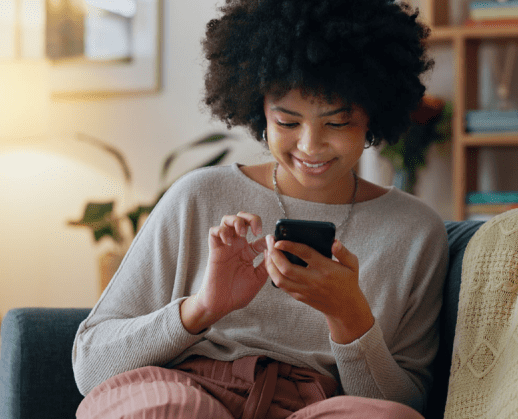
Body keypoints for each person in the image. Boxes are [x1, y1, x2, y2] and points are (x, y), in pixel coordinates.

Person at [72, 0, 448, 417]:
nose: (310, 146)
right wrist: (202, 308)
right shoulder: (197, 195)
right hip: (184, 387)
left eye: (337, 123)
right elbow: (91, 365)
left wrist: (350, 317)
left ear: (373, 115)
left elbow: (407, 403)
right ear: (260, 113)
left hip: (316, 404)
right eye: (288, 122)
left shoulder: (416, 231)